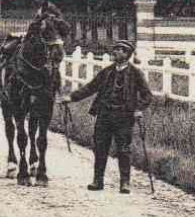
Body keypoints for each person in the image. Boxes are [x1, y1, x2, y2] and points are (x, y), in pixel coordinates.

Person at [64, 39, 152, 194]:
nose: (115, 52)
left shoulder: (135, 73)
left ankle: (125, 183)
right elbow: (91, 87)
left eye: (119, 50)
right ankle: (97, 181)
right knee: (100, 148)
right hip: (104, 115)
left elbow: (147, 95)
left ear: (126, 54)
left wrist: (138, 108)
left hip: (124, 117)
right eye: (115, 49)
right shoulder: (107, 72)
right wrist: (71, 98)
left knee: (123, 149)